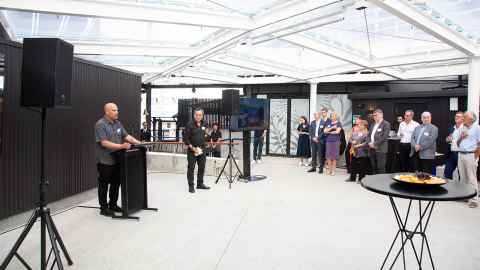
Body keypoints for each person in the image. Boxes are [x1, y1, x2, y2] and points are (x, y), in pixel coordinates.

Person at [95, 103, 142, 216]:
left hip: (118, 159)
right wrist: (121, 146)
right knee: (104, 184)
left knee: (116, 183)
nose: (117, 112)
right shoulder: (100, 124)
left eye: (117, 110)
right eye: (114, 110)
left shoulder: (118, 123)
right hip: (105, 160)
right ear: (107, 112)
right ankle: (103, 208)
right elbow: (104, 142)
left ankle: (113, 205)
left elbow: (127, 136)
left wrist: (140, 143)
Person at [454, 111, 480, 208]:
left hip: (471, 155)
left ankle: (474, 200)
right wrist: (461, 137)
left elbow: (479, 144)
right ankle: (465, 196)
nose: (463, 118)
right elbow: (458, 143)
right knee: (463, 177)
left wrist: (475, 157)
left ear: (471, 119)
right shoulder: (462, 127)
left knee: (472, 178)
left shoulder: (477, 128)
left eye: (465, 117)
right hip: (461, 154)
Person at [184, 108, 211, 193]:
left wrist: (207, 137)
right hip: (192, 150)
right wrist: (193, 148)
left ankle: (200, 184)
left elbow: (207, 134)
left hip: (202, 149)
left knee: (202, 167)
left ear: (202, 116)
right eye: (196, 115)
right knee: (191, 168)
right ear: (194, 115)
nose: (198, 116)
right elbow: (186, 139)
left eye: (200, 115)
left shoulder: (205, 124)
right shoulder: (189, 124)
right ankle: (191, 186)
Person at [366, 109, 391, 174]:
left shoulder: (386, 124)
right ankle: (374, 182)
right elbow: (368, 135)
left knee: (381, 167)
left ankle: (381, 182)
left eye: (376, 115)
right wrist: (369, 143)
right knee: (373, 166)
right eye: (373, 115)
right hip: (371, 148)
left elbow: (384, 137)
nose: (374, 117)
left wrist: (374, 144)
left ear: (381, 115)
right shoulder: (373, 124)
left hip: (381, 149)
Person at [308, 108, 330, 173]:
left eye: (316, 115)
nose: (315, 116)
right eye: (314, 115)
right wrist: (313, 138)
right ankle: (313, 167)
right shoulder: (312, 122)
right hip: (313, 141)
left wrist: (317, 138)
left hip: (320, 141)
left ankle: (321, 169)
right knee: (313, 154)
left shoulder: (323, 122)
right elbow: (310, 131)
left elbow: (324, 132)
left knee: (320, 155)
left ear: (319, 115)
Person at [444, 112, 464, 179]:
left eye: (458, 116)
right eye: (456, 116)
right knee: (447, 173)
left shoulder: (465, 128)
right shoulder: (451, 128)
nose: (456, 117)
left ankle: (462, 189)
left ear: (463, 118)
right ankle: (448, 188)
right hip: (451, 154)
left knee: (461, 175)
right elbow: (448, 139)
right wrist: (447, 139)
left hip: (460, 154)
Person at [324, 111, 342, 176]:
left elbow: (337, 131)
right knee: (328, 156)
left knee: (334, 157)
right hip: (328, 141)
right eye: (332, 116)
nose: (333, 117)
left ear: (336, 116)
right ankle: (329, 170)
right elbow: (325, 131)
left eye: (334, 116)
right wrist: (332, 128)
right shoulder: (328, 122)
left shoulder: (339, 123)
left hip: (336, 141)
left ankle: (333, 171)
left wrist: (329, 132)